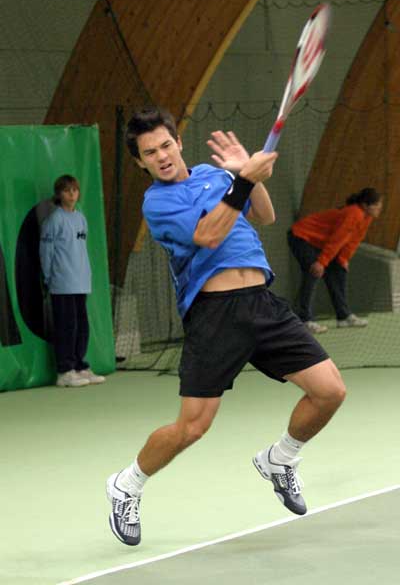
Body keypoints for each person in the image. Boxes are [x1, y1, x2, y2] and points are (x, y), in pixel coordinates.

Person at [106, 107, 346, 546]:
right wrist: (244, 180)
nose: (161, 156)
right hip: (214, 315)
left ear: (178, 142)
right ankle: (127, 484)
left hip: (262, 303)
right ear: (140, 162)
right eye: (150, 153)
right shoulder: (157, 203)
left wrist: (245, 174)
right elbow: (208, 235)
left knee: (330, 391)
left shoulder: (215, 176)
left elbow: (266, 216)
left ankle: (280, 458)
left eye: (165, 145)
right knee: (192, 427)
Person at [39, 175, 105, 387]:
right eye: (67, 190)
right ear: (59, 194)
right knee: (66, 327)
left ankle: (79, 366)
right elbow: (46, 252)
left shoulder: (81, 219)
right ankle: (64, 371)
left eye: (75, 190)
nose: (72, 194)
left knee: (81, 327)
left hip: (80, 282)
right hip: (62, 283)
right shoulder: (54, 220)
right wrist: (48, 277)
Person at [287, 189, 383, 335]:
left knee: (339, 270)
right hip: (302, 236)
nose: (379, 208)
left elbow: (353, 241)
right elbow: (338, 238)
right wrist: (321, 262)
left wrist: (343, 259)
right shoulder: (354, 213)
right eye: (376, 205)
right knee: (313, 272)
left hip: (318, 243)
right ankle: (303, 320)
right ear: (365, 205)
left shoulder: (366, 217)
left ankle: (343, 316)